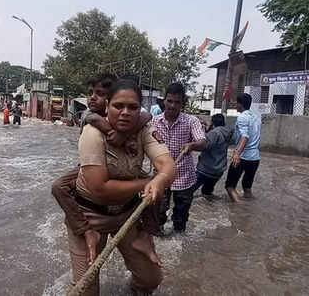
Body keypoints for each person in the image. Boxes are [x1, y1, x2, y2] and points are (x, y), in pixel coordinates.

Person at [66, 79, 176, 296]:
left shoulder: (145, 130)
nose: (125, 112)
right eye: (118, 106)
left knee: (151, 279)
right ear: (107, 106)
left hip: (127, 213)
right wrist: (148, 182)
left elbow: (168, 166)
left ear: (140, 110)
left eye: (133, 107)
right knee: (85, 290)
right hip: (89, 217)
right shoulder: (92, 133)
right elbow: (99, 187)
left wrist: (160, 180)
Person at [52, 74, 154, 239]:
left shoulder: (125, 111)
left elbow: (146, 115)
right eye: (90, 92)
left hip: (122, 165)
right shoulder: (88, 114)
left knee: (156, 184)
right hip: (93, 164)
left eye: (99, 93)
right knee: (58, 186)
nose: (92, 97)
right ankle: (81, 226)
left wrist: (126, 133)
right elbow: (95, 120)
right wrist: (117, 134)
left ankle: (149, 230)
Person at [150, 82, 206, 234]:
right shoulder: (154, 122)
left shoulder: (191, 121)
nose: (173, 106)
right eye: (169, 101)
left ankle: (179, 243)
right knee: (157, 214)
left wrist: (192, 145)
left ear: (182, 104)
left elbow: (202, 142)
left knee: (181, 217)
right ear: (164, 101)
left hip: (184, 177)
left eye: (177, 102)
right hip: (161, 176)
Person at [188, 114, 235, 201]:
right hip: (218, 170)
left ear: (213, 122)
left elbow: (204, 146)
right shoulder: (228, 132)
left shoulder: (214, 133)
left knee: (187, 192)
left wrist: (190, 147)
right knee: (207, 193)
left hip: (206, 169)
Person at [225, 93, 261, 202]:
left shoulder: (242, 117)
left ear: (240, 104)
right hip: (255, 158)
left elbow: (245, 137)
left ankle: (240, 210)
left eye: (236, 103)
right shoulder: (256, 117)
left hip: (243, 157)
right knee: (247, 187)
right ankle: (249, 207)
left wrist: (237, 154)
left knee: (229, 186)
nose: (235, 105)